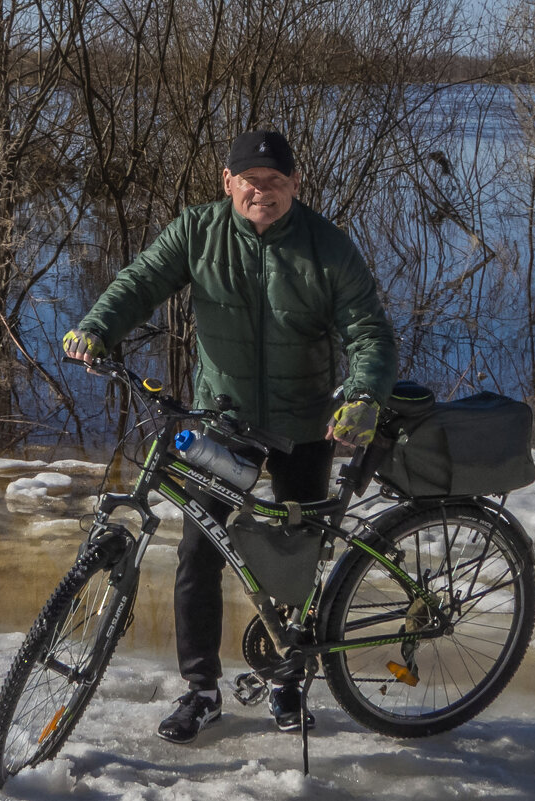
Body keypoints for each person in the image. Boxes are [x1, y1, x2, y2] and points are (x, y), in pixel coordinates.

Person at [63, 130, 397, 743]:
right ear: (227, 181)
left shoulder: (327, 247)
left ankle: (287, 679)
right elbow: (140, 282)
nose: (259, 192)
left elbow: (369, 332)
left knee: (295, 554)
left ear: (295, 185)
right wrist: (97, 328)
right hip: (225, 420)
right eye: (248, 180)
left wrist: (363, 395)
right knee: (199, 552)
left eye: (273, 183)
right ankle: (201, 690)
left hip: (304, 423)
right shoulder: (197, 231)